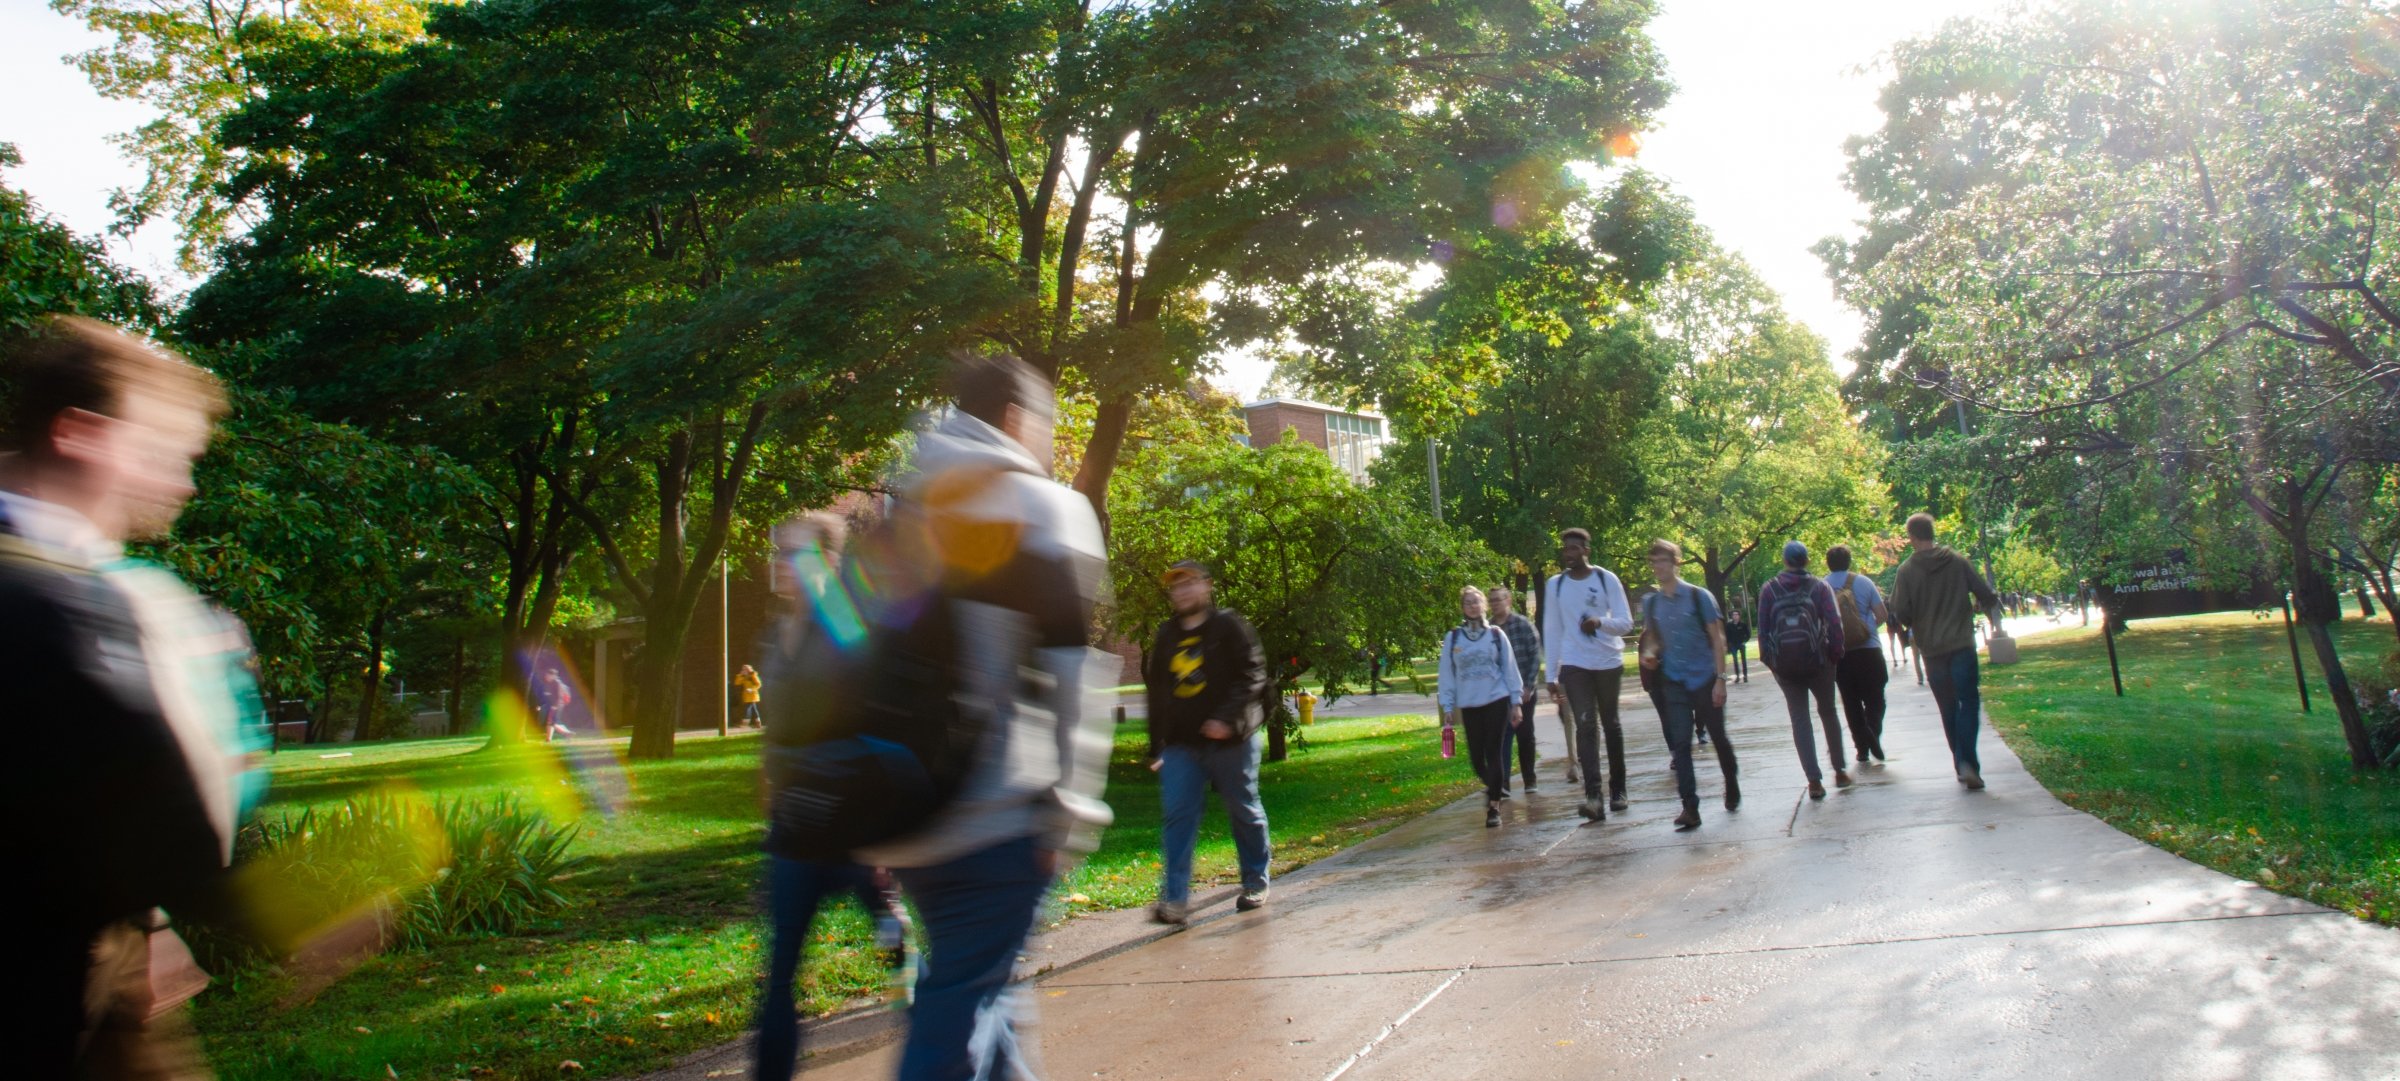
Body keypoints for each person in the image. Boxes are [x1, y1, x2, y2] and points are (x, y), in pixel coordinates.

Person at [1, 316, 257, 1078]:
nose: (180, 483)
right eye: (159, 454)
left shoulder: (81, 572)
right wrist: (301, 920)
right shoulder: (47, 600)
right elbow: (156, 800)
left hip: (107, 950)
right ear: (80, 433)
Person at [847, 353, 1114, 1081]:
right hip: (996, 814)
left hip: (902, 805)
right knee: (961, 1001)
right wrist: (1071, 807)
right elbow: (1070, 679)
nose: (1050, 442)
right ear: (1015, 419)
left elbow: (849, 661)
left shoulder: (901, 510)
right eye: (1048, 425)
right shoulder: (1042, 508)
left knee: (987, 993)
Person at [752, 513, 911, 1081]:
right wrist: (770, 782)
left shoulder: (850, 629)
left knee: (888, 939)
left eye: (794, 553)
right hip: (794, 827)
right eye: (778, 551)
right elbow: (777, 728)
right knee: (779, 971)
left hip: (851, 824)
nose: (780, 563)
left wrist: (881, 833)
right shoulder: (775, 634)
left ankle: (930, 1035)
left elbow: (883, 725)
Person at [1143, 559, 1271, 925]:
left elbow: (1253, 674)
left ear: (1206, 586)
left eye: (1189, 583)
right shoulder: (1167, 635)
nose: (1182, 591)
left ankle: (1254, 881)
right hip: (1182, 744)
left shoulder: (1228, 626)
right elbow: (1156, 694)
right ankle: (1175, 900)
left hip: (1233, 739)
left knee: (1242, 807)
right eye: (1175, 586)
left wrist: (1227, 719)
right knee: (1178, 815)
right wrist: (1156, 747)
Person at [1886, 512, 2005, 791]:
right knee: (1969, 701)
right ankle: (1969, 763)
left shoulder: (1906, 571)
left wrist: (1916, 620)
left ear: (1912, 537)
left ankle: (1961, 764)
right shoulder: (1957, 560)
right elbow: (1985, 593)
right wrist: (1977, 607)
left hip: (1931, 648)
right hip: (1961, 643)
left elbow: (1900, 611)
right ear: (1932, 532)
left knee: (1947, 706)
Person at [1636, 541, 1739, 828]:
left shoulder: (1699, 597)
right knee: (1680, 743)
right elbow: (1654, 637)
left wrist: (1720, 680)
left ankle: (1731, 781)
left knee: (1718, 737)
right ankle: (1689, 806)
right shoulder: (1652, 602)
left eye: (1663, 561)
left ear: (1676, 563)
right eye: (1653, 561)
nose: (1658, 566)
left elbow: (1718, 639)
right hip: (1674, 681)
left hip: (1704, 678)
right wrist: (1650, 654)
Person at [1542, 527, 1635, 822]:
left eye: (1573, 548)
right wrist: (1551, 671)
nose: (1568, 554)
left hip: (1607, 661)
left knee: (1611, 723)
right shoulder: (1555, 585)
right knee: (1585, 724)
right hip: (1574, 663)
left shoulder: (1606, 579)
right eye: (1564, 549)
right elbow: (1553, 629)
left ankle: (1618, 789)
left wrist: (1600, 622)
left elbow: (1626, 623)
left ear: (1585, 550)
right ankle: (1593, 796)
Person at [1757, 541, 1851, 800]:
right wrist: (1834, 655)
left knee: (1800, 720)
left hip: (1786, 667)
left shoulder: (1769, 590)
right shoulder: (1820, 587)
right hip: (1819, 660)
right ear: (1807, 561)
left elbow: (1763, 632)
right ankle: (1840, 770)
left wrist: (1773, 663)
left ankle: (1814, 780)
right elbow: (1834, 624)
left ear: (1785, 560)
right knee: (1828, 711)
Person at [1439, 586, 1524, 829]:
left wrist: (1515, 702)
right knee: (1476, 758)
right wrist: (1447, 705)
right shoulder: (1453, 638)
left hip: (1496, 700)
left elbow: (1509, 668)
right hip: (1469, 704)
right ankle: (1494, 786)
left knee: (1493, 752)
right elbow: (1446, 674)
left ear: (1484, 605)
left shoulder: (1496, 635)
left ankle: (1494, 806)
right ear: (1462, 608)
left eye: (1477, 602)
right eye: (1468, 603)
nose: (1473, 606)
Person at [1824, 544, 1893, 766]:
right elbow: (1882, 614)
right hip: (1869, 650)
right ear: (1849, 561)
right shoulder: (1863, 582)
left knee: (1850, 701)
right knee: (1876, 698)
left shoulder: (1822, 587)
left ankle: (1861, 748)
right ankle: (1871, 732)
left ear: (1828, 563)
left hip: (1841, 654)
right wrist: (1866, 628)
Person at [1488, 586, 1543, 795]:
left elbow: (1535, 657)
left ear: (1508, 600)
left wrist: (1528, 686)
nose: (1495, 603)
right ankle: (1503, 783)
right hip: (1499, 694)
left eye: (1498, 599)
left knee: (1525, 735)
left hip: (1524, 691)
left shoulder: (1522, 625)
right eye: (1491, 600)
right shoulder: (1489, 629)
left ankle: (1529, 778)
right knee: (1501, 737)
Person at [1722, 603, 1752, 684]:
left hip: (1741, 644)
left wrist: (1744, 641)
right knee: (1735, 660)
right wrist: (1729, 643)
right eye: (1733, 615)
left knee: (1743, 660)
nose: (1735, 616)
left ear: (1739, 616)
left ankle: (1745, 676)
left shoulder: (1743, 625)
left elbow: (1748, 635)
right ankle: (1737, 676)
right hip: (1733, 645)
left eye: (1736, 614)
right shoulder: (1729, 625)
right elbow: (1726, 635)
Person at [735, 663, 763, 728]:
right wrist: (740, 675)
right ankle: (758, 722)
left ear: (748, 670)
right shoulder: (744, 677)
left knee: (748, 708)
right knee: (754, 708)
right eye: (742, 669)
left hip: (753, 695)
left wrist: (751, 689)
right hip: (747, 696)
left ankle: (745, 722)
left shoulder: (753, 676)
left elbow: (759, 684)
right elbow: (737, 683)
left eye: (745, 669)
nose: (743, 670)